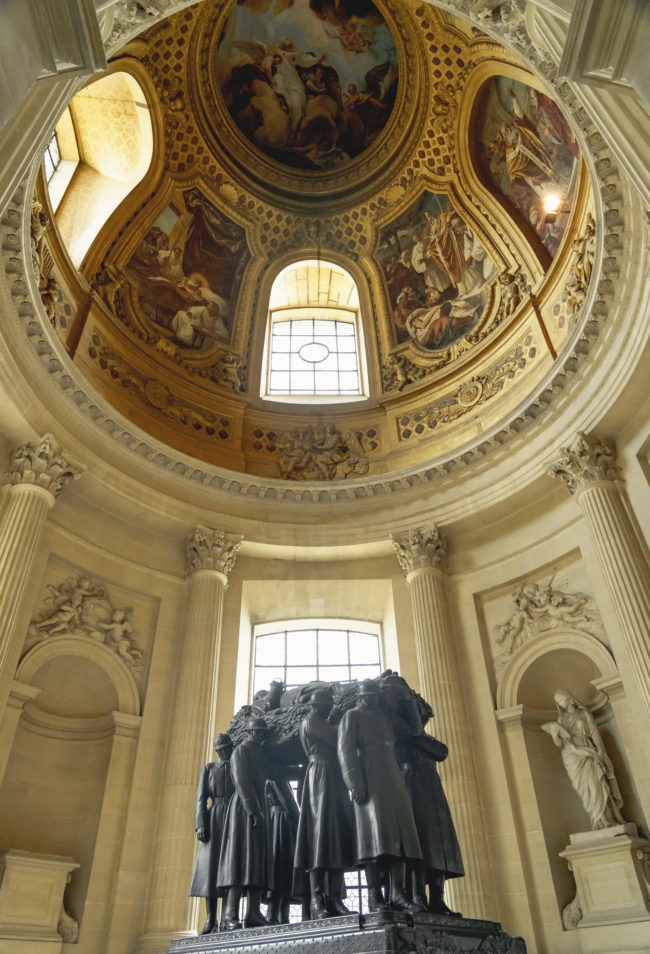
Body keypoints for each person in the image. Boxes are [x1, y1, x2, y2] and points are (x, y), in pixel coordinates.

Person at [337, 679, 423, 913]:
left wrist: (407, 700)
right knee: (372, 839)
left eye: (376, 696)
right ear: (362, 697)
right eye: (370, 696)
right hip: (369, 777)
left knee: (399, 836)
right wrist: (354, 782)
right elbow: (345, 752)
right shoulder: (352, 716)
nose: (373, 700)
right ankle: (375, 897)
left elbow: (414, 730)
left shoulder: (384, 716)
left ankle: (396, 893)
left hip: (391, 778)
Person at [295, 688, 355, 919]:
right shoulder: (312, 722)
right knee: (319, 839)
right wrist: (343, 718)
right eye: (327, 705)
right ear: (316, 706)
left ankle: (335, 899)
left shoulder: (320, 719)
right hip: (320, 776)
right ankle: (317, 899)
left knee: (336, 836)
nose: (330, 708)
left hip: (333, 777)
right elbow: (337, 736)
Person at [217, 717, 275, 929]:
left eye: (263, 733)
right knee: (239, 860)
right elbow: (241, 781)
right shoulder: (241, 750)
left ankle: (253, 913)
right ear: (251, 732)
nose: (261, 736)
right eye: (258, 732)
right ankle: (230, 914)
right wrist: (253, 810)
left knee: (257, 861)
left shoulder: (260, 752)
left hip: (259, 807)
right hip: (244, 809)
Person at [398, 732, 464, 916]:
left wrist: (416, 734)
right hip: (411, 792)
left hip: (433, 794)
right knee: (417, 847)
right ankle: (418, 897)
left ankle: (438, 900)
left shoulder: (420, 736)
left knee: (439, 847)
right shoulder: (399, 737)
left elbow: (442, 752)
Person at [542, 689, 625, 830]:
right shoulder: (561, 720)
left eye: (561, 699)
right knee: (584, 791)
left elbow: (594, 733)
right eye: (558, 702)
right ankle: (596, 820)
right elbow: (559, 743)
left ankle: (607, 819)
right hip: (571, 755)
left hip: (587, 751)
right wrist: (555, 735)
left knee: (596, 784)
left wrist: (600, 752)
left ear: (569, 697)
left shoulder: (583, 713)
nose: (560, 703)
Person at [188, 733, 235, 934]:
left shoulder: (236, 766)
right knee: (210, 870)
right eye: (220, 749)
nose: (223, 752)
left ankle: (227, 916)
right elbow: (200, 799)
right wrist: (200, 825)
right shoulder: (208, 769)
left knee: (229, 867)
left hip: (233, 816)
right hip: (214, 817)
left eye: (226, 748)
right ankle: (210, 918)